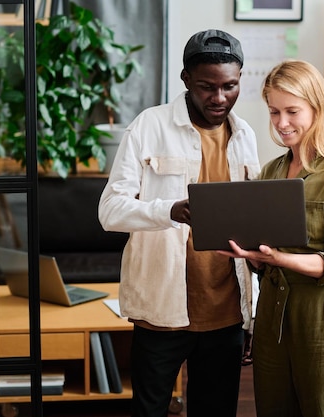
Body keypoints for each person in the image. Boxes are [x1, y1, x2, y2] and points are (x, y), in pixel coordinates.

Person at [98, 29, 260, 417]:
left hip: (227, 312)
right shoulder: (148, 126)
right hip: (161, 311)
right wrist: (167, 211)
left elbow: (253, 227)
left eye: (230, 86)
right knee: (149, 410)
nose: (219, 98)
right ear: (186, 79)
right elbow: (110, 210)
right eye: (207, 87)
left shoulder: (246, 136)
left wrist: (255, 315)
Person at [218, 60, 324, 417]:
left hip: (322, 316)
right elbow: (264, 248)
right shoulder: (271, 171)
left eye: (292, 111)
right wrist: (251, 254)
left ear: (317, 109)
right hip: (272, 315)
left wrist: (279, 258)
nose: (281, 123)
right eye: (274, 111)